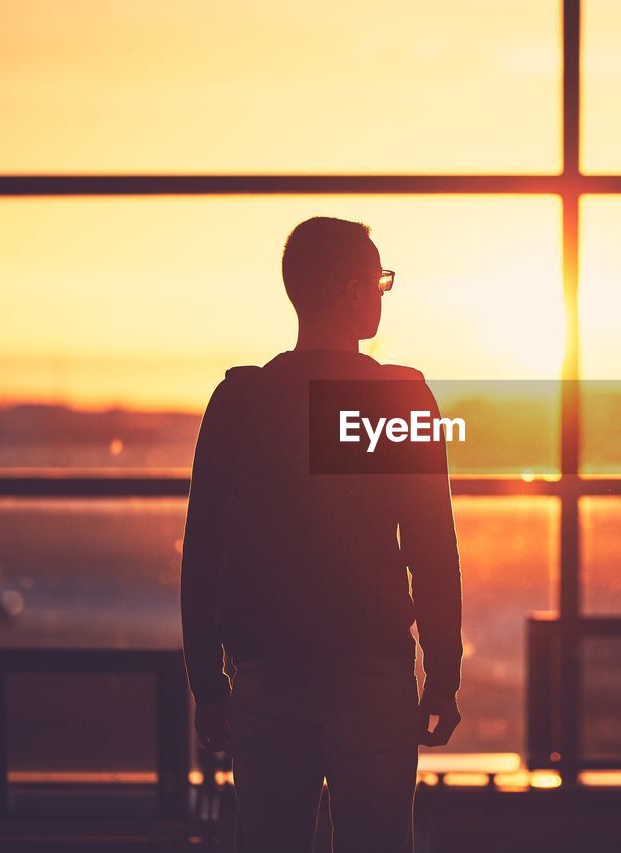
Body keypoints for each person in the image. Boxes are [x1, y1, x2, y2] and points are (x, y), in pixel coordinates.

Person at [180, 216, 463, 852]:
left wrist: (206, 679)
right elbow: (432, 550)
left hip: (267, 677)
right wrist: (443, 671)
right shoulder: (402, 400)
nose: (384, 294)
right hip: (373, 677)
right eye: (379, 280)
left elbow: (202, 552)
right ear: (352, 291)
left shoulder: (241, 401)